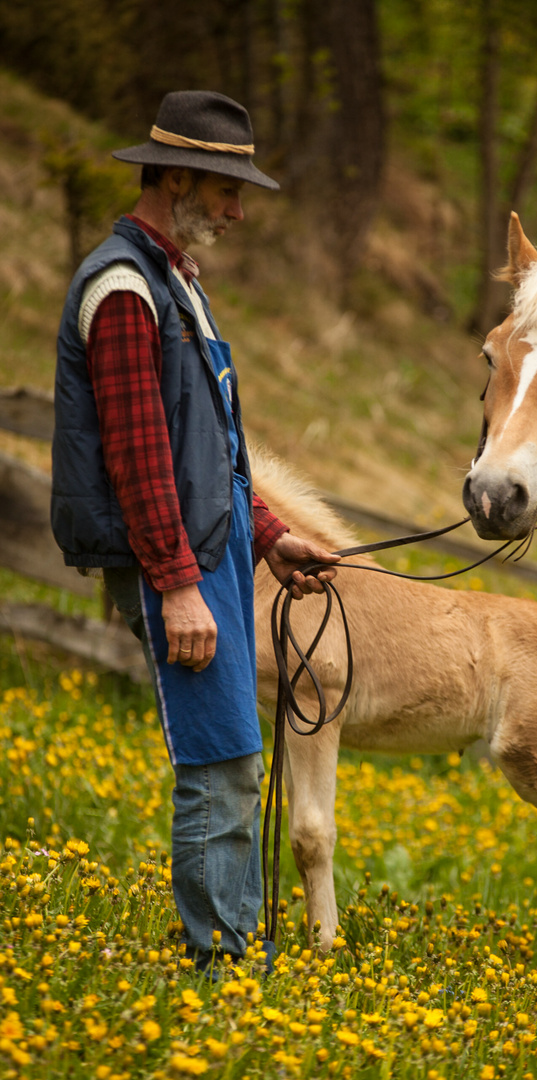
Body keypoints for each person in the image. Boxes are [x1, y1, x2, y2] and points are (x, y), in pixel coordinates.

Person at [51, 90, 339, 975]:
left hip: (207, 552)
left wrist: (266, 533)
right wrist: (176, 583)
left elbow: (206, 445)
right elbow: (141, 461)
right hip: (170, 561)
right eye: (226, 190)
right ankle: (221, 967)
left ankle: (233, 949)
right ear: (175, 175)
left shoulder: (176, 282)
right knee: (219, 761)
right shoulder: (127, 289)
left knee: (237, 755)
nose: (238, 211)